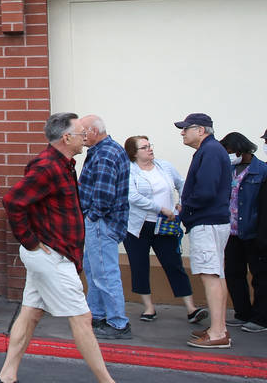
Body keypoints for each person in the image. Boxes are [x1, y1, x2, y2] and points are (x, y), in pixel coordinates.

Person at [0, 112, 152, 383]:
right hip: (51, 256)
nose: (84, 136)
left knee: (30, 314)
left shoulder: (65, 164)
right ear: (66, 138)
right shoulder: (47, 166)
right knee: (81, 318)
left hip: (55, 254)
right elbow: (14, 201)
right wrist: (30, 241)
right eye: (80, 132)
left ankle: (7, 378)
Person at [122, 135, 202, 323]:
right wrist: (161, 208)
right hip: (138, 227)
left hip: (164, 225)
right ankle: (149, 308)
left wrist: (181, 203)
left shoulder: (164, 166)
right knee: (139, 266)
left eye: (150, 145)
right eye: (144, 147)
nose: (150, 149)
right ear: (134, 153)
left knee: (174, 264)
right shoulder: (129, 171)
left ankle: (191, 308)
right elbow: (132, 197)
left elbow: (183, 184)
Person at [176, 112, 233, 349]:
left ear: (200, 130)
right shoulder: (212, 150)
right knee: (216, 274)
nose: (182, 132)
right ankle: (218, 327)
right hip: (214, 221)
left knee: (210, 275)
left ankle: (218, 332)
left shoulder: (209, 151)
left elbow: (206, 191)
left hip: (207, 222)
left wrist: (185, 210)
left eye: (186, 128)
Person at [78, 114, 132, 339]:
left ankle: (118, 323)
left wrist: (91, 217)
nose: (80, 138)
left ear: (93, 131)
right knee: (94, 270)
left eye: (82, 133)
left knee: (104, 273)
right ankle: (99, 315)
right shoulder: (106, 150)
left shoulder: (105, 154)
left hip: (102, 223)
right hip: (103, 222)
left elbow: (103, 195)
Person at [219, 131, 267, 333]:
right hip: (231, 233)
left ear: (240, 149)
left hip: (253, 232)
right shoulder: (228, 169)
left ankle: (260, 318)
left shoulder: (261, 170)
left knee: (260, 276)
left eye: (229, 151)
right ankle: (242, 313)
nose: (228, 155)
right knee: (233, 273)